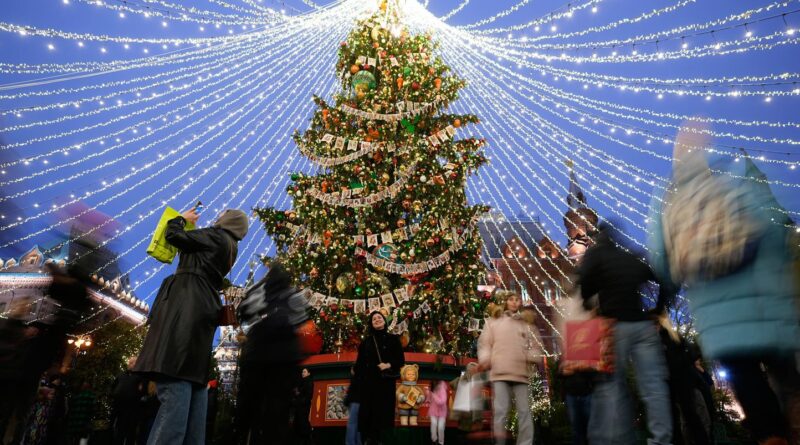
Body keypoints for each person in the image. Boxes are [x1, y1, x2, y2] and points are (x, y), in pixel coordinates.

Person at [648, 122, 800, 445]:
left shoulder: (669, 204)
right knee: (788, 379)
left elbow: (663, 263)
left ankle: (772, 436)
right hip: (766, 305)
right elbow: (774, 229)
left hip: (722, 325)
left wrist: (661, 305)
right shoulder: (733, 182)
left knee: (749, 387)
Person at [134, 208, 249, 445]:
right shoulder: (231, 246)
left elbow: (173, 236)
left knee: (175, 379)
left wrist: (180, 220)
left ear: (228, 222)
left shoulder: (216, 235)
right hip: (204, 309)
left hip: (185, 306)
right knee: (193, 385)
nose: (217, 217)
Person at [577, 222, 674, 445]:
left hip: (614, 327)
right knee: (654, 386)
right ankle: (661, 440)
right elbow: (664, 281)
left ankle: (619, 441)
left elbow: (585, 282)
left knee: (612, 387)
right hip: (642, 325)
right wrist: (658, 310)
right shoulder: (631, 257)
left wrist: (588, 303)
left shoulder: (596, 255)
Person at [234, 262, 309, 445]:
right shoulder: (293, 293)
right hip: (284, 359)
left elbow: (242, 311)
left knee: (249, 408)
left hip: (256, 356)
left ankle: (242, 435)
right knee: (278, 413)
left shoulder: (257, 290)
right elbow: (301, 319)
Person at [477, 291, 543, 445]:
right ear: (505, 302)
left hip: (521, 372)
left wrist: (531, 357)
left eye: (517, 300)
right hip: (500, 372)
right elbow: (485, 343)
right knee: (500, 411)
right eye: (511, 299)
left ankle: (525, 443)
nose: (514, 302)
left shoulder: (526, 323)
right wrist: (486, 359)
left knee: (524, 412)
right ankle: (500, 442)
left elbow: (535, 345)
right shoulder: (493, 321)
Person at [354, 311, 405, 445]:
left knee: (382, 413)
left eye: (379, 317)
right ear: (371, 323)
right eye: (374, 319)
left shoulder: (393, 339)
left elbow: (400, 360)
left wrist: (388, 364)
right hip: (368, 382)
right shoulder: (366, 342)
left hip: (385, 381)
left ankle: (379, 440)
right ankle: (370, 439)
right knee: (368, 412)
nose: (377, 320)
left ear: (384, 320)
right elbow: (359, 363)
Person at [111, 357, 145, 445]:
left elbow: (143, 391)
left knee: (131, 433)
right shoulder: (121, 375)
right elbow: (113, 387)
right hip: (119, 408)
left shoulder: (141, 376)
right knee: (119, 432)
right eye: (130, 362)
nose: (131, 364)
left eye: (133, 362)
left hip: (132, 410)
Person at [293, 368, 314, 445]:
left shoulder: (308, 381)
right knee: (300, 422)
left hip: (303, 406)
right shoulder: (302, 382)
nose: (303, 373)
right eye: (302, 372)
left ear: (309, 373)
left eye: (304, 372)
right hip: (300, 405)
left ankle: (307, 439)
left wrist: (301, 400)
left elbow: (309, 394)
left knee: (303, 422)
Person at [344, 366, 362, 445]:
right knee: (358, 426)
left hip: (354, 403)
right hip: (361, 404)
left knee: (352, 425)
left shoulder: (355, 378)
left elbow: (351, 392)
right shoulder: (362, 378)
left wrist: (346, 401)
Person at [428, 380, 449, 445]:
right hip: (433, 411)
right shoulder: (431, 389)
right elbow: (428, 399)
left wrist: (434, 395)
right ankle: (434, 440)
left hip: (442, 412)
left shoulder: (442, 389)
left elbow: (441, 402)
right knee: (434, 424)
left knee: (440, 426)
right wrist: (427, 395)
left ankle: (441, 442)